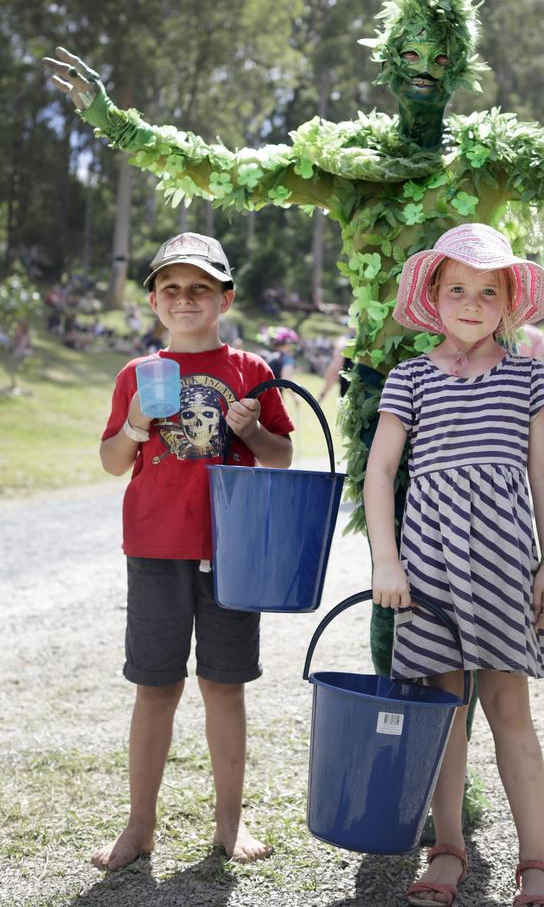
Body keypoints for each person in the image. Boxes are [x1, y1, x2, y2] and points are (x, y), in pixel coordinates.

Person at [43, 0, 544, 723]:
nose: (424, 72)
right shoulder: (350, 164)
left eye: (441, 59)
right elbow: (229, 172)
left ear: (460, 64)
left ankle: (451, 766)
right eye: (409, 57)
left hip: (479, 391)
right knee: (396, 572)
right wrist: (115, 122)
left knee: (482, 572)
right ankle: (409, 753)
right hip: (385, 390)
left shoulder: (489, 155)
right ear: (388, 63)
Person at [365, 223, 544, 907]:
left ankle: (536, 864)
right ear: (433, 294)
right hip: (429, 570)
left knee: (510, 707)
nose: (472, 301)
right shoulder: (411, 378)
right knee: (445, 711)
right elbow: (379, 474)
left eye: (489, 290)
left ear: (510, 302)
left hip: (504, 565)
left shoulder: (528, 377)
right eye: (457, 287)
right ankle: (448, 848)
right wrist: (386, 563)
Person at [97, 231, 294, 872]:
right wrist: (134, 426)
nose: (186, 299)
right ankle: (139, 826)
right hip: (155, 547)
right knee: (155, 687)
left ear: (225, 298)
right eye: (172, 288)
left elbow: (283, 455)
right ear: (154, 300)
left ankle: (230, 825)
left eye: (201, 288)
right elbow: (111, 461)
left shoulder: (252, 372)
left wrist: (253, 430)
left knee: (224, 686)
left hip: (234, 550)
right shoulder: (136, 375)